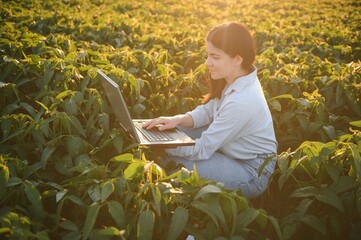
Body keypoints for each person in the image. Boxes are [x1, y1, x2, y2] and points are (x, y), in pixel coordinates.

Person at [142, 21, 277, 198]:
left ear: (237, 59)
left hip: (251, 172)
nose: (207, 63)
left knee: (169, 161)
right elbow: (207, 112)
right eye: (207, 55)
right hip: (230, 151)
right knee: (170, 130)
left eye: (215, 57)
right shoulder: (235, 76)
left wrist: (161, 145)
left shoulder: (242, 101)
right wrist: (177, 119)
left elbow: (202, 149)